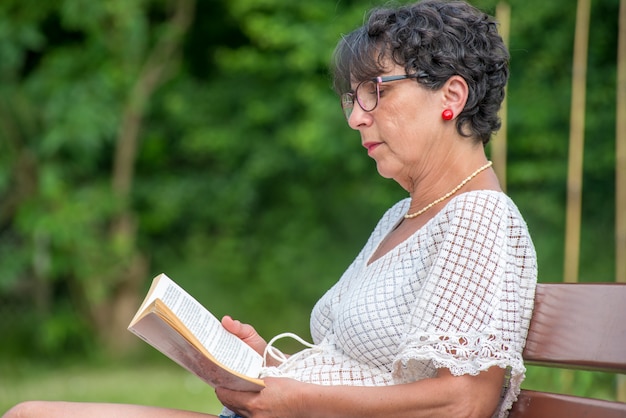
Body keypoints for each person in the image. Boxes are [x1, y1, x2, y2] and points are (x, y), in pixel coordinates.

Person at [3, 1, 537, 417]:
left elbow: (464, 401)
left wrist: (297, 401)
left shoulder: (479, 217)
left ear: (453, 94)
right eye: (351, 98)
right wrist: (266, 365)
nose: (356, 117)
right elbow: (364, 375)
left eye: (374, 91)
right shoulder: (400, 219)